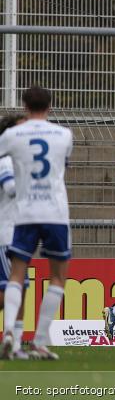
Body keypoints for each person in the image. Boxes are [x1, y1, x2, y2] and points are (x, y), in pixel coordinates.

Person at [0, 87, 74, 360]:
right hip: (55, 212)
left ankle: (9, 331)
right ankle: (40, 341)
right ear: (51, 106)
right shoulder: (64, 135)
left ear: (24, 105)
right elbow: (62, 165)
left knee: (17, 275)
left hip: (25, 213)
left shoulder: (12, 135)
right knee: (58, 276)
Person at [0, 114, 27, 360]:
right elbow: (10, 189)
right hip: (7, 235)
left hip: (15, 234)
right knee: (14, 289)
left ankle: (15, 344)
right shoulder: (6, 160)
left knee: (18, 289)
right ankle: (14, 341)